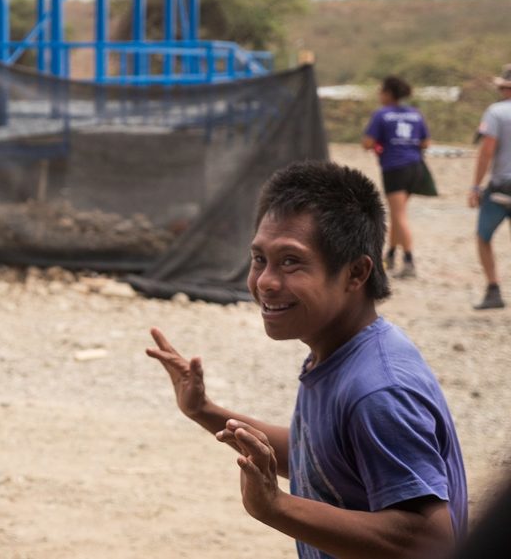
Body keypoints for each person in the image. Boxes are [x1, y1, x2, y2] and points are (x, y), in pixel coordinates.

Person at [147, 160, 467, 559]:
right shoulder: (340, 353)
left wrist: (278, 507)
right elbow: (318, 455)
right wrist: (204, 411)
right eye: (260, 258)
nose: (265, 281)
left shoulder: (379, 390)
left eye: (290, 261)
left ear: (355, 273)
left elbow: (431, 541)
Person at [362, 75, 431, 279]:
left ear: (388, 94)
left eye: (381, 90)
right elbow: (425, 143)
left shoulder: (382, 114)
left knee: (399, 214)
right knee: (397, 212)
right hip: (416, 168)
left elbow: (367, 142)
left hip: (394, 167)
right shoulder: (415, 114)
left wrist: (381, 145)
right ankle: (390, 255)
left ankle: (409, 260)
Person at [467, 64, 511, 310]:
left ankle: (493, 288)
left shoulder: (495, 112)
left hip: (501, 187)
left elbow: (487, 151)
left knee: (484, 237)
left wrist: (475, 186)